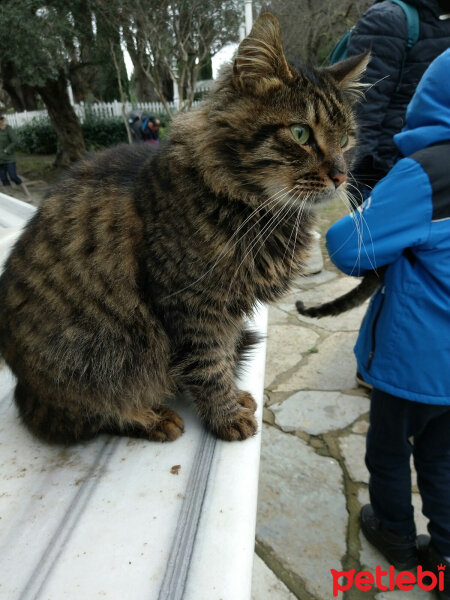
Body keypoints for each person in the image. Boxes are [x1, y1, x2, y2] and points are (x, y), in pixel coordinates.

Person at [326, 49, 450, 598]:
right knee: (445, 461)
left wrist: (369, 213)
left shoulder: (429, 172)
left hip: (413, 363)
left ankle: (396, 536)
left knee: (389, 450)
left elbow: (350, 247)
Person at [345, 0, 450, 202]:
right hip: (388, 176)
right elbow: (362, 113)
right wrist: (373, 189)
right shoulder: (386, 20)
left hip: (437, 175)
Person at [0, 114, 23, 188]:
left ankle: (22, 186)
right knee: (3, 179)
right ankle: (10, 194)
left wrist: (7, 150)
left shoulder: (8, 129)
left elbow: (15, 141)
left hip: (9, 158)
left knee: (13, 176)